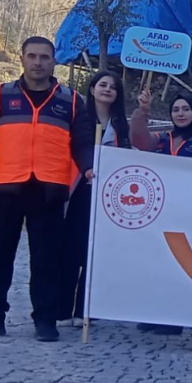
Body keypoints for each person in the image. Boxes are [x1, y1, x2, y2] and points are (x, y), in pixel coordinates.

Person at [0, 37, 95, 342]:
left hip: (48, 191)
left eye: (45, 57)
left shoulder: (72, 101)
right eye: (32, 56)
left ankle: (45, 320)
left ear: (54, 62)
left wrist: (90, 168)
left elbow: (83, 143)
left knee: (47, 260)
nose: (38, 62)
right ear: (21, 59)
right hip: (3, 189)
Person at [61, 68, 130, 325]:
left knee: (95, 253)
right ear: (92, 89)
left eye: (112, 87)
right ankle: (62, 309)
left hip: (107, 195)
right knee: (71, 249)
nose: (107, 90)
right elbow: (76, 147)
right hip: (80, 188)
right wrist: (88, 167)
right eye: (103, 85)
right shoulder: (81, 118)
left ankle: (85, 309)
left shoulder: (121, 125)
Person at [131, 87, 192, 157]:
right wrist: (143, 109)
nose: (180, 114)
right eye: (175, 110)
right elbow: (138, 141)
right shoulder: (160, 139)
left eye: (186, 109)